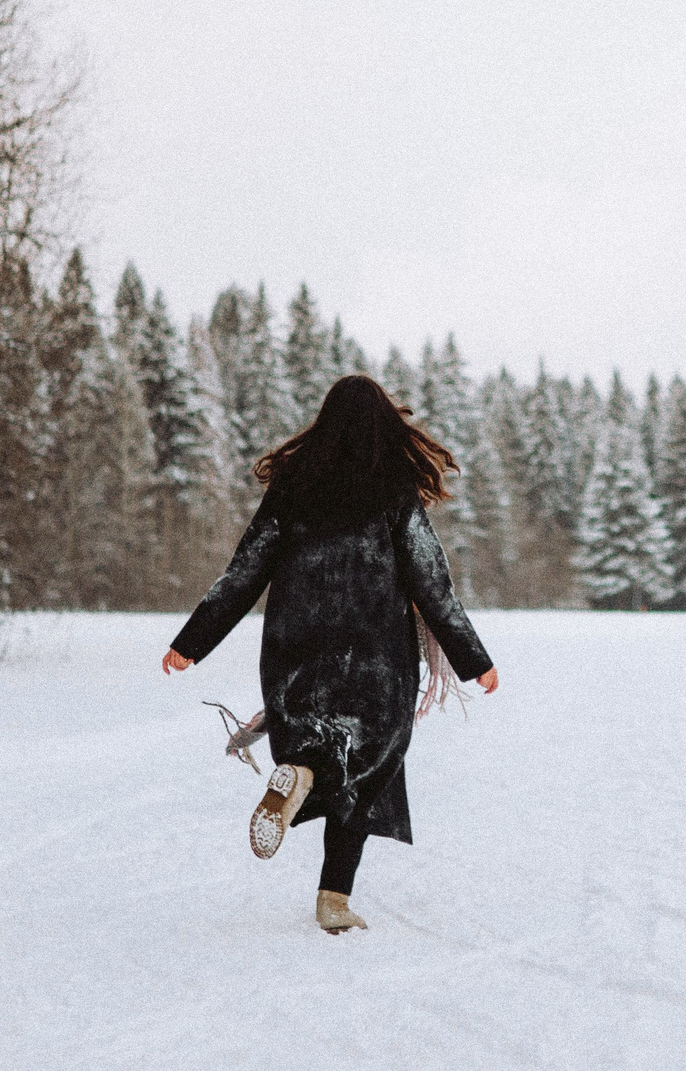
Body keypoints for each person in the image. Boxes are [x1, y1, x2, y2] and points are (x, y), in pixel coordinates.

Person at [162, 374, 498, 934]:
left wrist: (190, 643)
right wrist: (473, 660)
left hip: (295, 651)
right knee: (366, 770)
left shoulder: (293, 484)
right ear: (383, 427)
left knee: (315, 749)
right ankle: (334, 900)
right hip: (376, 658)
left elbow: (245, 570)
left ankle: (298, 774)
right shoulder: (393, 488)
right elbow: (431, 581)